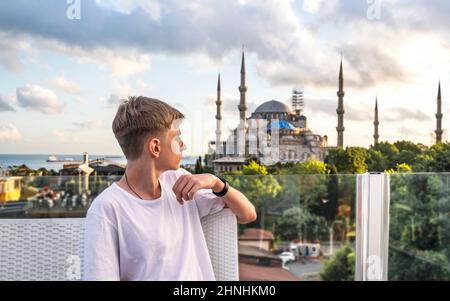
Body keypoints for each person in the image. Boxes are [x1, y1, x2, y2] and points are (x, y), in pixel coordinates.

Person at [84, 96, 256, 280]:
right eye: (177, 138)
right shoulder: (108, 209)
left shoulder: (180, 183)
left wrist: (216, 183)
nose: (183, 145)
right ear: (155, 147)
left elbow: (247, 214)